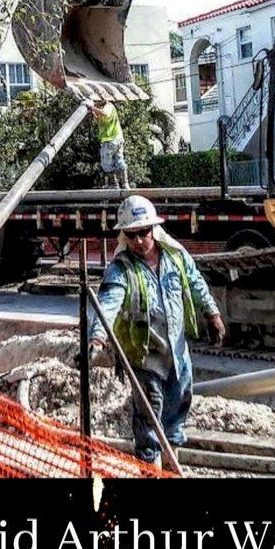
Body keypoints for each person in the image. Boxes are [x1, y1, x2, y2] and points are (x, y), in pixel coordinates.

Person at [88, 195, 226, 468]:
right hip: (144, 357)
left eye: (143, 233)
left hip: (176, 354)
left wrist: (212, 314)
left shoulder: (175, 257)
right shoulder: (121, 270)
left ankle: (171, 467)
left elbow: (196, 283)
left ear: (153, 229)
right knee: (150, 419)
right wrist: (97, 338)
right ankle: (150, 470)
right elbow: (107, 305)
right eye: (132, 235)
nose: (139, 241)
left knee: (176, 414)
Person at [88, 98, 130, 189]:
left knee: (106, 163)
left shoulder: (109, 106)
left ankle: (114, 184)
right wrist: (93, 112)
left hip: (111, 140)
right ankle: (124, 184)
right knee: (119, 160)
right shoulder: (103, 109)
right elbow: (100, 118)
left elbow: (104, 113)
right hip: (115, 139)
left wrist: (92, 108)